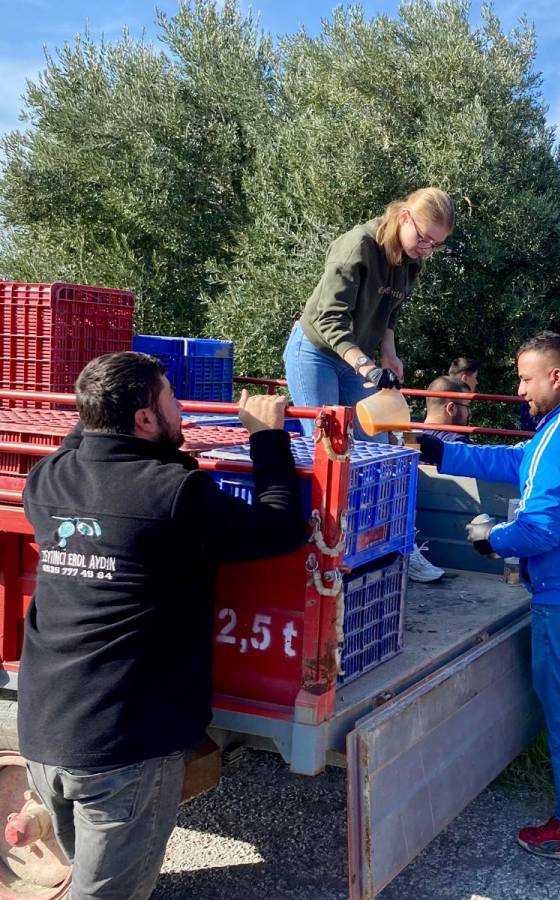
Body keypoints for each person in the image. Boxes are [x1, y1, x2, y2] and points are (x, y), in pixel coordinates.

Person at [19, 352, 308, 900]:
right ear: (145, 420)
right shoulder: (172, 495)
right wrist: (267, 437)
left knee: (88, 876)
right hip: (122, 743)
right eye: (172, 399)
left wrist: (106, 408)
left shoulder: (47, 480)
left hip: (44, 730)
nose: (182, 410)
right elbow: (278, 528)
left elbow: (93, 449)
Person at [416, 332, 560, 864]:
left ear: (555, 377)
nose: (520, 390)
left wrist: (488, 539)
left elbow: (539, 532)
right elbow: (521, 461)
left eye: (525, 378)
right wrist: (444, 451)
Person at [284, 188, 455, 441]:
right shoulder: (358, 245)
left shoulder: (412, 260)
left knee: (376, 440)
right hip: (316, 351)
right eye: (423, 238)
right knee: (326, 442)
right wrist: (368, 367)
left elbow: (390, 312)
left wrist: (389, 354)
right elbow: (329, 319)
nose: (427, 249)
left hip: (355, 359)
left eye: (435, 245)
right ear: (405, 217)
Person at [423, 375, 472, 443]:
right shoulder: (457, 442)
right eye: (467, 406)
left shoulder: (408, 437)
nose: (469, 412)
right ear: (451, 408)